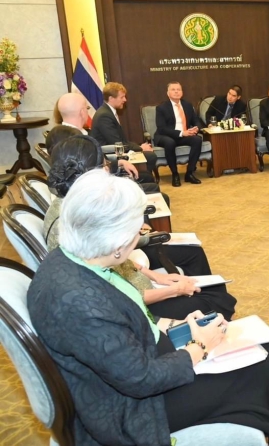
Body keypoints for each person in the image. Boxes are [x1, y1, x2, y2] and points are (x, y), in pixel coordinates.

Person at [29, 169, 269, 446]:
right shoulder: (82, 303)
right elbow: (141, 379)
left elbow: (127, 323)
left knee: (265, 354)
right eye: (137, 229)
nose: (140, 233)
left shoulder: (74, 260)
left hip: (135, 367)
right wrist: (199, 347)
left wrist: (178, 326)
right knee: (266, 369)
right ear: (118, 243)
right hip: (130, 410)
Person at [43, 135, 235, 319]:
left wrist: (156, 277)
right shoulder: (77, 222)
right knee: (216, 300)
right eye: (104, 166)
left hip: (137, 285)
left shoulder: (73, 207)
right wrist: (175, 290)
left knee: (205, 277)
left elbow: (113, 258)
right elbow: (120, 297)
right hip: (138, 309)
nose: (108, 170)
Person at [90, 82, 157, 175]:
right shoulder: (104, 116)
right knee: (150, 156)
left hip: (116, 151)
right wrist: (140, 148)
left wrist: (139, 146)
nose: (125, 100)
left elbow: (121, 141)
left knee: (149, 155)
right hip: (109, 157)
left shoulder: (108, 112)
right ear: (111, 98)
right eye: (122, 97)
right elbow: (116, 143)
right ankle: (139, 179)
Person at [155, 82, 204, 187]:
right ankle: (175, 174)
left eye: (179, 89)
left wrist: (196, 128)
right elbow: (162, 129)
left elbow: (196, 120)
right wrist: (182, 133)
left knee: (197, 140)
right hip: (166, 136)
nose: (176, 92)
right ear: (168, 93)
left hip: (184, 135)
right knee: (170, 143)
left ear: (182, 92)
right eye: (173, 89)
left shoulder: (187, 105)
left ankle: (189, 173)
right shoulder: (161, 108)